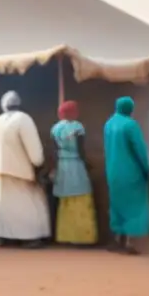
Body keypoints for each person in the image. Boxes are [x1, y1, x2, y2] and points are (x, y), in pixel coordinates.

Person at [0, 91, 50, 248]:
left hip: (0, 168)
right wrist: (38, 163)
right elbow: (34, 150)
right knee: (27, 204)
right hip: (20, 170)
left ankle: (3, 236)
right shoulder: (23, 119)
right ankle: (30, 237)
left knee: (5, 205)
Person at [103, 96, 149, 255]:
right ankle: (130, 241)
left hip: (112, 171)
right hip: (131, 172)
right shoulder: (131, 125)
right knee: (134, 206)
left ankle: (117, 239)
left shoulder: (109, 124)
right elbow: (140, 149)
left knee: (117, 204)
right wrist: (147, 169)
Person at [49, 100, 97, 246]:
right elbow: (81, 150)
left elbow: (53, 151)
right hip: (76, 165)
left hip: (62, 165)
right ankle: (82, 237)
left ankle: (65, 236)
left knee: (65, 201)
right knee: (81, 196)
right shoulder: (78, 127)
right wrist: (88, 164)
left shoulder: (55, 129)